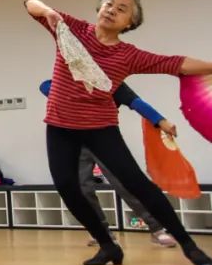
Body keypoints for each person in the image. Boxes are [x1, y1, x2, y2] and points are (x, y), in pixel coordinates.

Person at [25, 0, 212, 265]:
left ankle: (190, 247)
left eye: (122, 9)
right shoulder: (72, 29)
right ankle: (107, 245)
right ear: (100, 8)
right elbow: (30, 3)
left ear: (130, 23)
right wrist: (48, 11)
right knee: (67, 186)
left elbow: (175, 64)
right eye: (109, 4)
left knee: (137, 184)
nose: (112, 9)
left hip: (100, 128)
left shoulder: (129, 55)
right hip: (60, 126)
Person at [38, 79, 178, 248]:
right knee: (82, 188)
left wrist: (161, 121)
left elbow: (137, 103)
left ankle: (157, 229)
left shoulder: (113, 83)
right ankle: (102, 233)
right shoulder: (71, 81)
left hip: (104, 140)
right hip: (76, 143)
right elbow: (44, 86)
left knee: (125, 184)